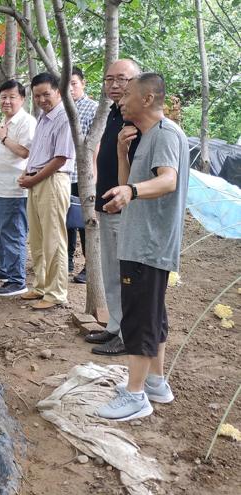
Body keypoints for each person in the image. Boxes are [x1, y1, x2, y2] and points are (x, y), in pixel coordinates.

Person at [97, 73, 189, 421]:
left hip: (148, 244)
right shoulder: (146, 136)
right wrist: (122, 154)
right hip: (141, 239)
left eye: (128, 93)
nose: (121, 99)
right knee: (153, 314)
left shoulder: (165, 134)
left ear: (147, 99)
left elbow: (168, 180)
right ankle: (155, 382)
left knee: (138, 317)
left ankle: (135, 396)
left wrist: (132, 192)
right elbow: (127, 186)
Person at [85, 59, 142, 357]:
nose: (115, 85)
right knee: (110, 270)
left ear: (138, 82)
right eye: (109, 80)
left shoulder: (137, 118)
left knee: (126, 274)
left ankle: (127, 334)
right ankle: (114, 325)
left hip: (126, 207)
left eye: (122, 79)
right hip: (106, 202)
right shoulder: (112, 113)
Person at [18, 72, 74, 310]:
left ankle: (56, 292)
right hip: (36, 181)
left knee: (54, 239)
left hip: (52, 181)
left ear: (58, 92)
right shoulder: (43, 117)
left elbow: (60, 158)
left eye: (46, 94)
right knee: (38, 238)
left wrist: (34, 178)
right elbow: (38, 154)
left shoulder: (65, 117)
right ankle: (41, 286)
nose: (42, 99)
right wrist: (28, 175)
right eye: (37, 95)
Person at [0, 80, 36, 296]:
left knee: (13, 233)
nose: (7, 101)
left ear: (22, 99)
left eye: (12, 97)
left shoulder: (26, 122)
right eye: (3, 97)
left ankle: (17, 280)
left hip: (13, 189)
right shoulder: (6, 120)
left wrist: (3, 137)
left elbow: (25, 152)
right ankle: (4, 269)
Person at [68, 66, 99, 283]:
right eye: (65, 85)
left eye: (73, 84)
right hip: (64, 174)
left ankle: (90, 266)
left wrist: (93, 174)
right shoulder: (62, 108)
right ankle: (66, 260)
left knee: (85, 221)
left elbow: (96, 143)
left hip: (84, 176)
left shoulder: (92, 108)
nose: (69, 89)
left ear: (83, 84)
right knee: (65, 219)